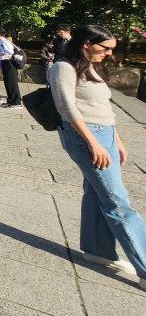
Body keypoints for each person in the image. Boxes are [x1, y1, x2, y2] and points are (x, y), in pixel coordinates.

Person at [49, 25, 146, 291]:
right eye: (105, 48)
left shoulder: (90, 67)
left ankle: (97, 251)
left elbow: (104, 107)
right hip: (86, 136)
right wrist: (94, 144)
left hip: (106, 135)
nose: (109, 54)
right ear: (86, 44)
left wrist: (117, 141)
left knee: (96, 192)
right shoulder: (63, 68)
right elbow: (66, 108)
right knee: (118, 201)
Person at [0, 28, 23, 107]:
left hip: (9, 63)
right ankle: (11, 100)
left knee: (11, 83)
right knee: (7, 82)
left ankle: (17, 103)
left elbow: (10, 52)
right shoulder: (1, 42)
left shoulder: (4, 41)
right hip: (5, 63)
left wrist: (0, 55)